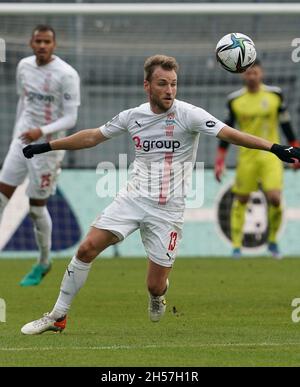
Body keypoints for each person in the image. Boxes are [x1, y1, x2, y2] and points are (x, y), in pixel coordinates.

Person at [20, 55, 300, 334]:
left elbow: (231, 134)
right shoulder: (133, 116)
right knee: (86, 249)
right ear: (147, 86)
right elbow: (93, 136)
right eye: (162, 84)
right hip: (132, 199)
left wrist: (275, 148)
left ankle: (157, 296)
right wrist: (47, 146)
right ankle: (58, 315)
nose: (169, 90)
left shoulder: (190, 114)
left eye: (174, 84)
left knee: (155, 285)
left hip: (167, 210)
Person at [0, 25, 80, 286]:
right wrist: (18, 135)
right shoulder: (23, 66)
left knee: (36, 210)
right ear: (31, 43)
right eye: (38, 41)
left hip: (47, 149)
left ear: (54, 44)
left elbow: (71, 117)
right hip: (21, 140)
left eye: (47, 41)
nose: (43, 46)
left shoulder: (67, 74)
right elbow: (23, 102)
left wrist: (41, 132)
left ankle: (44, 261)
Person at [214, 59, 300, 258]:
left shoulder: (275, 95)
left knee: (275, 198)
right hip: (247, 157)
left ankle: (272, 242)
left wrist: (296, 152)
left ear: (261, 73)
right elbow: (226, 133)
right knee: (242, 199)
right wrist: (220, 160)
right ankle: (236, 246)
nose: (252, 76)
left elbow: (287, 127)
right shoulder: (234, 100)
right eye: (248, 73)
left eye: (255, 72)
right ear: (243, 74)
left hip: (272, 156)